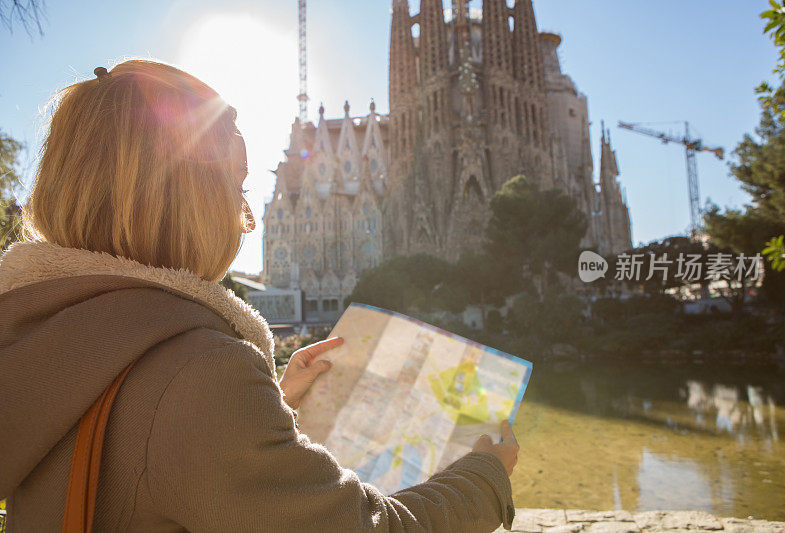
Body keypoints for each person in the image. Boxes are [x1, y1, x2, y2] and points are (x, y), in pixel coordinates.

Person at [0, 59, 519, 532]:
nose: (245, 218)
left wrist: (272, 400)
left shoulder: (42, 332)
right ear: (187, 197)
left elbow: (144, 451)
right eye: (238, 186)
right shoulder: (199, 373)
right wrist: (485, 476)